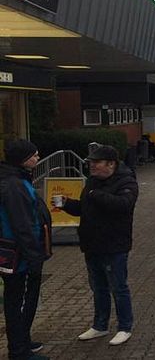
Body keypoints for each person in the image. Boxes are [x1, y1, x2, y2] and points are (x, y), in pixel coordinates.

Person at [61, 145, 138, 346]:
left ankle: (124, 327)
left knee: (118, 287)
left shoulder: (126, 181)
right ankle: (100, 325)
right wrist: (67, 204)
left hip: (114, 245)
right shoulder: (92, 182)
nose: (92, 166)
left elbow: (123, 205)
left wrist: (96, 195)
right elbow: (84, 208)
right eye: (91, 162)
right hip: (92, 244)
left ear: (111, 164)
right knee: (98, 288)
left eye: (96, 163)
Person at [0, 140, 51, 360]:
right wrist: (34, 256)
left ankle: (22, 340)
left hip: (19, 251)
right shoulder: (14, 185)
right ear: (22, 159)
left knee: (19, 299)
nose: (38, 158)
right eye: (34, 155)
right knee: (18, 300)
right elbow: (22, 224)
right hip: (18, 253)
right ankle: (19, 351)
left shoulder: (17, 179)